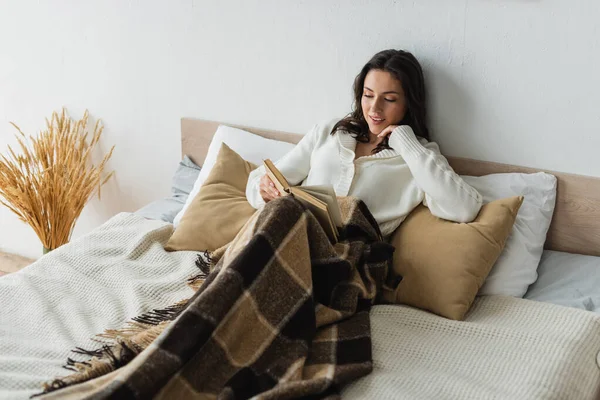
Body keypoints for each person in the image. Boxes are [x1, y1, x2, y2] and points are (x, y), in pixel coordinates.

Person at [246, 49, 483, 237]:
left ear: (409, 103)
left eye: (389, 99)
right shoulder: (329, 131)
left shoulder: (418, 156)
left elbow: (464, 208)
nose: (374, 108)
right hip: (294, 238)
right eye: (368, 95)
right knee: (277, 219)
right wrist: (264, 191)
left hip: (346, 261)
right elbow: (258, 180)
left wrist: (405, 142)